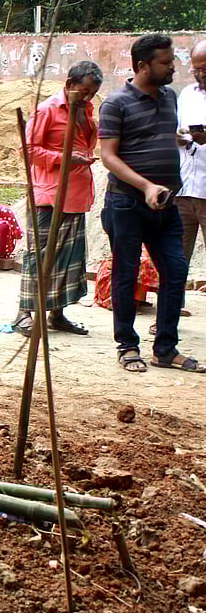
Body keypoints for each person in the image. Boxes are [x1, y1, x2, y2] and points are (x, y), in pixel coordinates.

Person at [100, 34, 202, 373]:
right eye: (166, 61)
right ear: (143, 65)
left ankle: (165, 349)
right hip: (127, 203)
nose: (173, 66)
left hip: (168, 203)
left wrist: (186, 138)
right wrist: (145, 186)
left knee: (175, 271)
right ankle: (127, 345)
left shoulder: (170, 97)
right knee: (126, 273)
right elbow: (108, 156)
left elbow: (158, 137)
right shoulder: (116, 103)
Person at [12, 61, 102, 338]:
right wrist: (63, 159)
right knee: (39, 256)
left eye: (92, 93)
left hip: (76, 194)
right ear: (69, 85)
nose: (87, 98)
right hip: (49, 194)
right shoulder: (47, 109)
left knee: (68, 257)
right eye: (83, 91)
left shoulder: (86, 112)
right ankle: (23, 314)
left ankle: (58, 314)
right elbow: (26, 150)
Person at [176, 40, 206, 264]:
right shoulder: (186, 94)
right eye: (197, 69)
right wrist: (179, 137)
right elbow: (176, 128)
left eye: (205, 69)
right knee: (176, 259)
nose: (201, 74)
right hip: (184, 191)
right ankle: (175, 300)